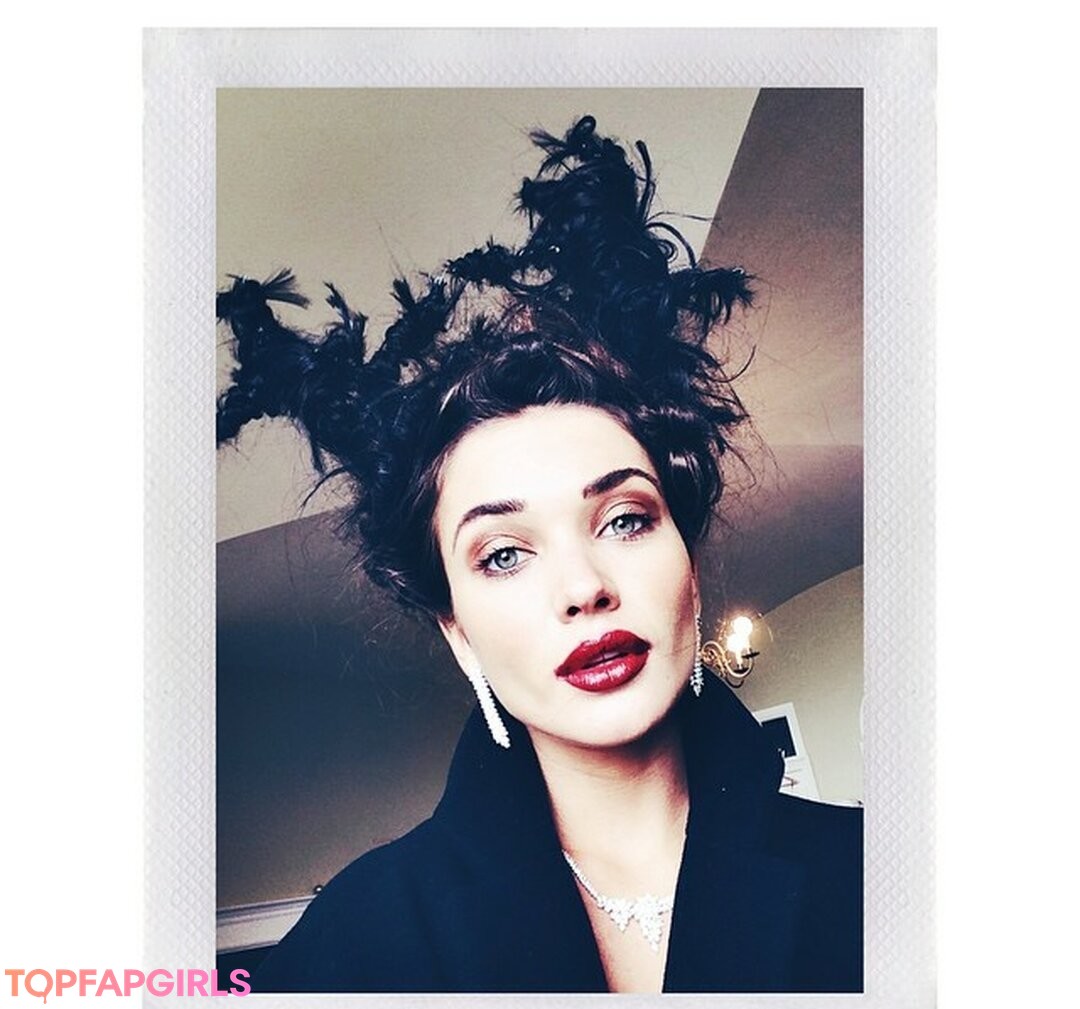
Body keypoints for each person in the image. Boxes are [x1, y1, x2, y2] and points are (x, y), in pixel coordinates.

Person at [216, 116, 862, 993]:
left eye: (624, 519)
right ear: (458, 633)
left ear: (689, 568)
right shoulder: (354, 946)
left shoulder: (882, 881)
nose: (584, 587)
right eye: (503, 555)